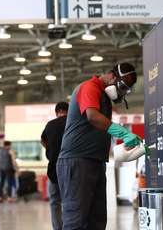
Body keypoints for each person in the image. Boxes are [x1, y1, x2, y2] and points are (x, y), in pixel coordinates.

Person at [57, 63, 141, 230]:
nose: (123, 92)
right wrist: (123, 133)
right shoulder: (89, 87)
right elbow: (92, 117)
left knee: (97, 220)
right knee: (76, 220)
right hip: (77, 161)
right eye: (123, 86)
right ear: (112, 76)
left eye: (127, 90)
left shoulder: (105, 98)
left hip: (95, 162)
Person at [41, 102, 69, 230]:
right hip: (71, 167)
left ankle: (57, 228)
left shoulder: (50, 124)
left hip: (53, 168)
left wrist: (51, 150)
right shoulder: (72, 123)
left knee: (54, 202)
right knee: (71, 201)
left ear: (57, 112)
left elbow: (43, 140)